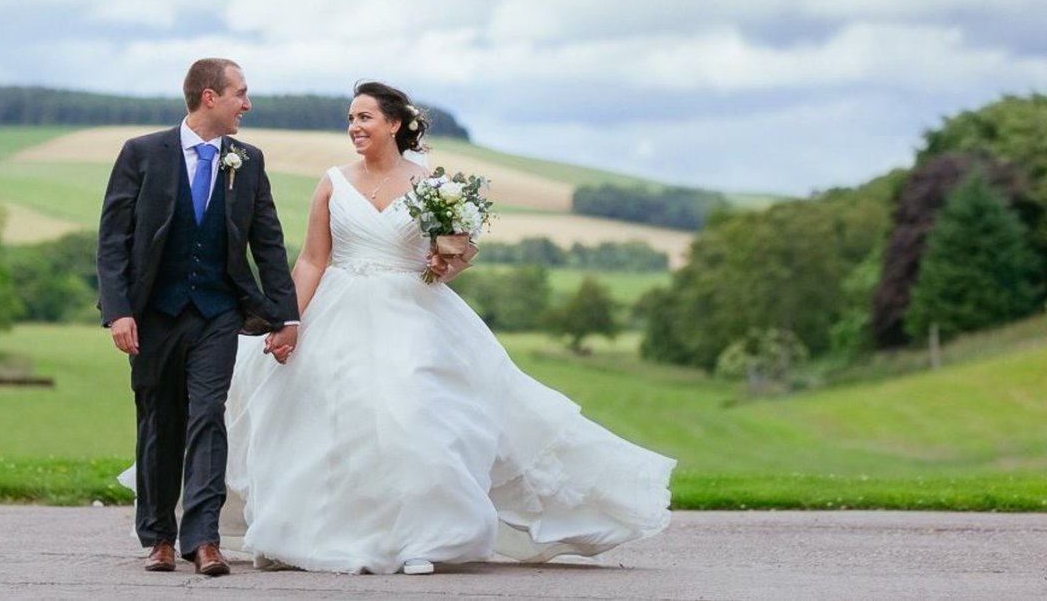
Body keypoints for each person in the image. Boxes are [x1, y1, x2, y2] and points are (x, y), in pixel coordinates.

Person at [220, 80, 676, 575]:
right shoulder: (332, 181)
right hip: (338, 306)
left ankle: (421, 539)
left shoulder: (434, 185)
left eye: (365, 118)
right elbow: (310, 261)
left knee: (414, 414)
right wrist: (290, 321)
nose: (354, 127)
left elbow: (457, 252)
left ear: (394, 124)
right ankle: (294, 534)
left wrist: (448, 262)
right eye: (351, 119)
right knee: (316, 416)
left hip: (412, 311)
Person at [97, 58, 299, 576]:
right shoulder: (142, 154)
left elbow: (268, 244)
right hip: (154, 314)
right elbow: (113, 241)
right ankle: (160, 536)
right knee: (159, 422)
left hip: (218, 312)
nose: (247, 104)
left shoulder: (247, 161)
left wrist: (285, 318)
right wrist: (118, 311)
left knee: (208, 415)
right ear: (210, 97)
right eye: (241, 93)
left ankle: (204, 538)